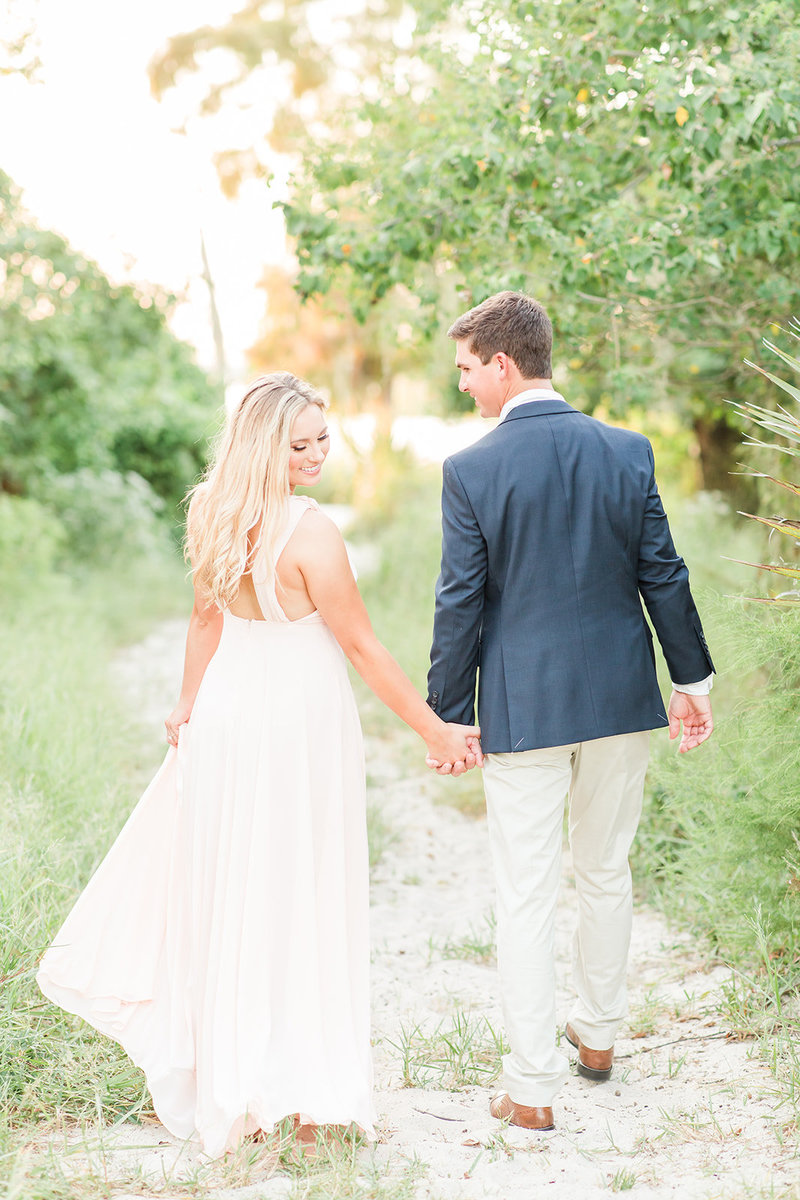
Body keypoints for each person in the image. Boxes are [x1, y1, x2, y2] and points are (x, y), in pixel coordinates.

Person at [38, 372, 479, 1159]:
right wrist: (435, 730)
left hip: (232, 718)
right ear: (264, 445)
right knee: (301, 893)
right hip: (295, 726)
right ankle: (308, 1097)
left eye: (321, 438)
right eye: (299, 443)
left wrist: (187, 704)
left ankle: (245, 1085)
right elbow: (362, 648)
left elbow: (207, 622)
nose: (316, 453)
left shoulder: (214, 511)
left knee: (238, 893)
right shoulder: (313, 536)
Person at [426, 292, 714, 1132]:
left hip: (524, 713)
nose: (464, 387)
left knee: (526, 893)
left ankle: (532, 1088)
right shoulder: (627, 453)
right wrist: (691, 681)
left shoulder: (471, 471)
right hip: (623, 703)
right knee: (605, 872)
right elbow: (664, 572)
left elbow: (460, 605)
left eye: (468, 370)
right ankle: (597, 1037)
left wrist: (449, 715)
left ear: (503, 364)